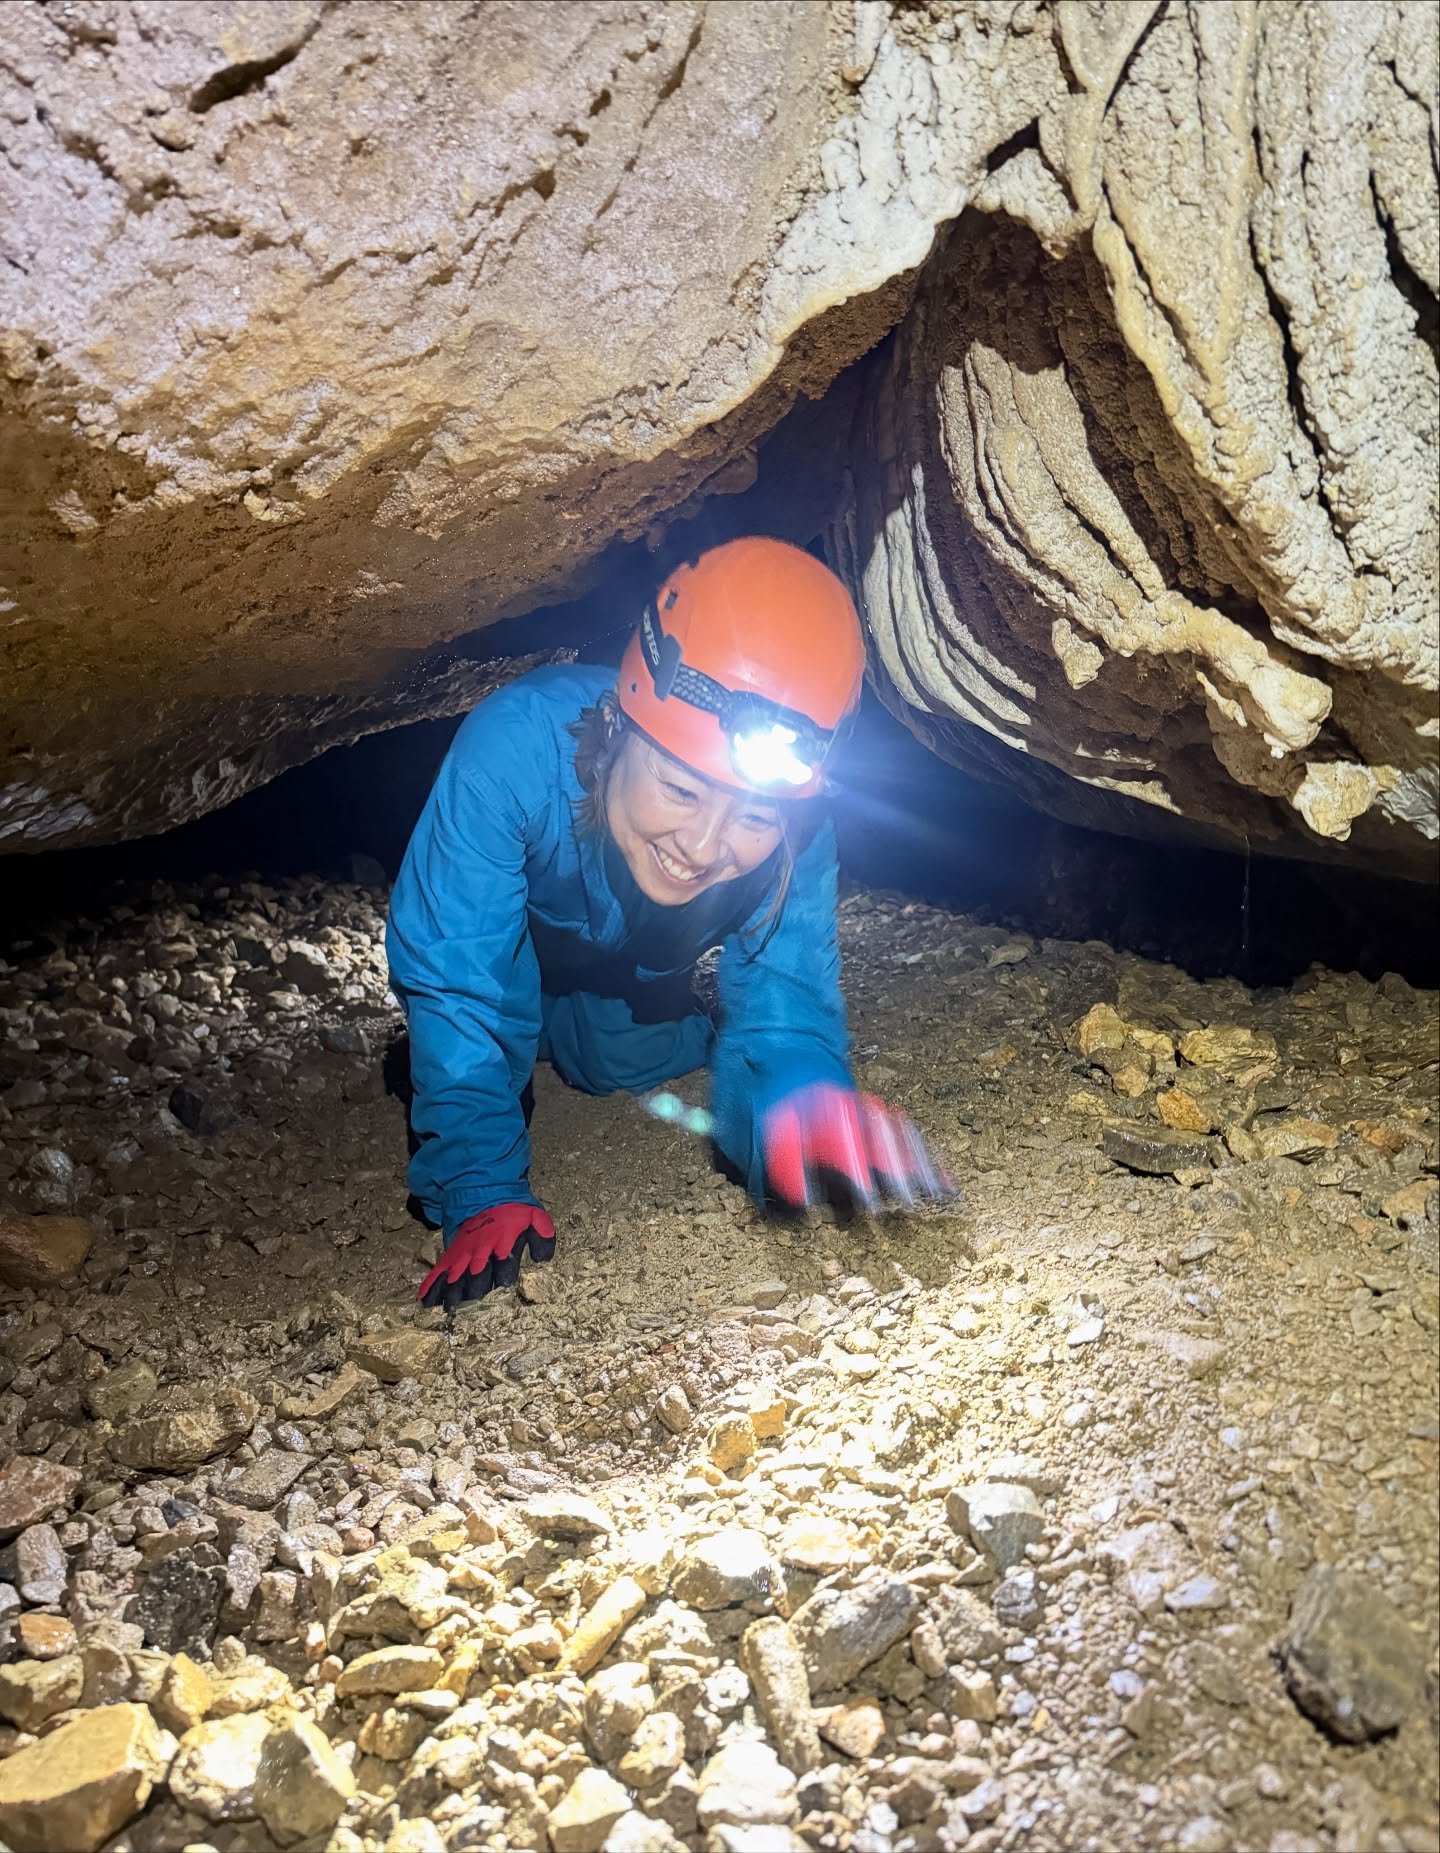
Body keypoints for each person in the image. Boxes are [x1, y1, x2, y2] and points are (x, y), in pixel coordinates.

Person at [386, 536, 949, 1311]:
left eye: (754, 815)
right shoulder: (512, 751)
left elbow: (786, 1003)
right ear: (620, 723)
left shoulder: (799, 831)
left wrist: (798, 1100)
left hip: (639, 963)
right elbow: (460, 977)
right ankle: (528, 1037)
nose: (704, 846)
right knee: (490, 1020)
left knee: (613, 1059)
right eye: (682, 790)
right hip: (511, 942)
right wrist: (479, 1183)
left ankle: (625, 1019)